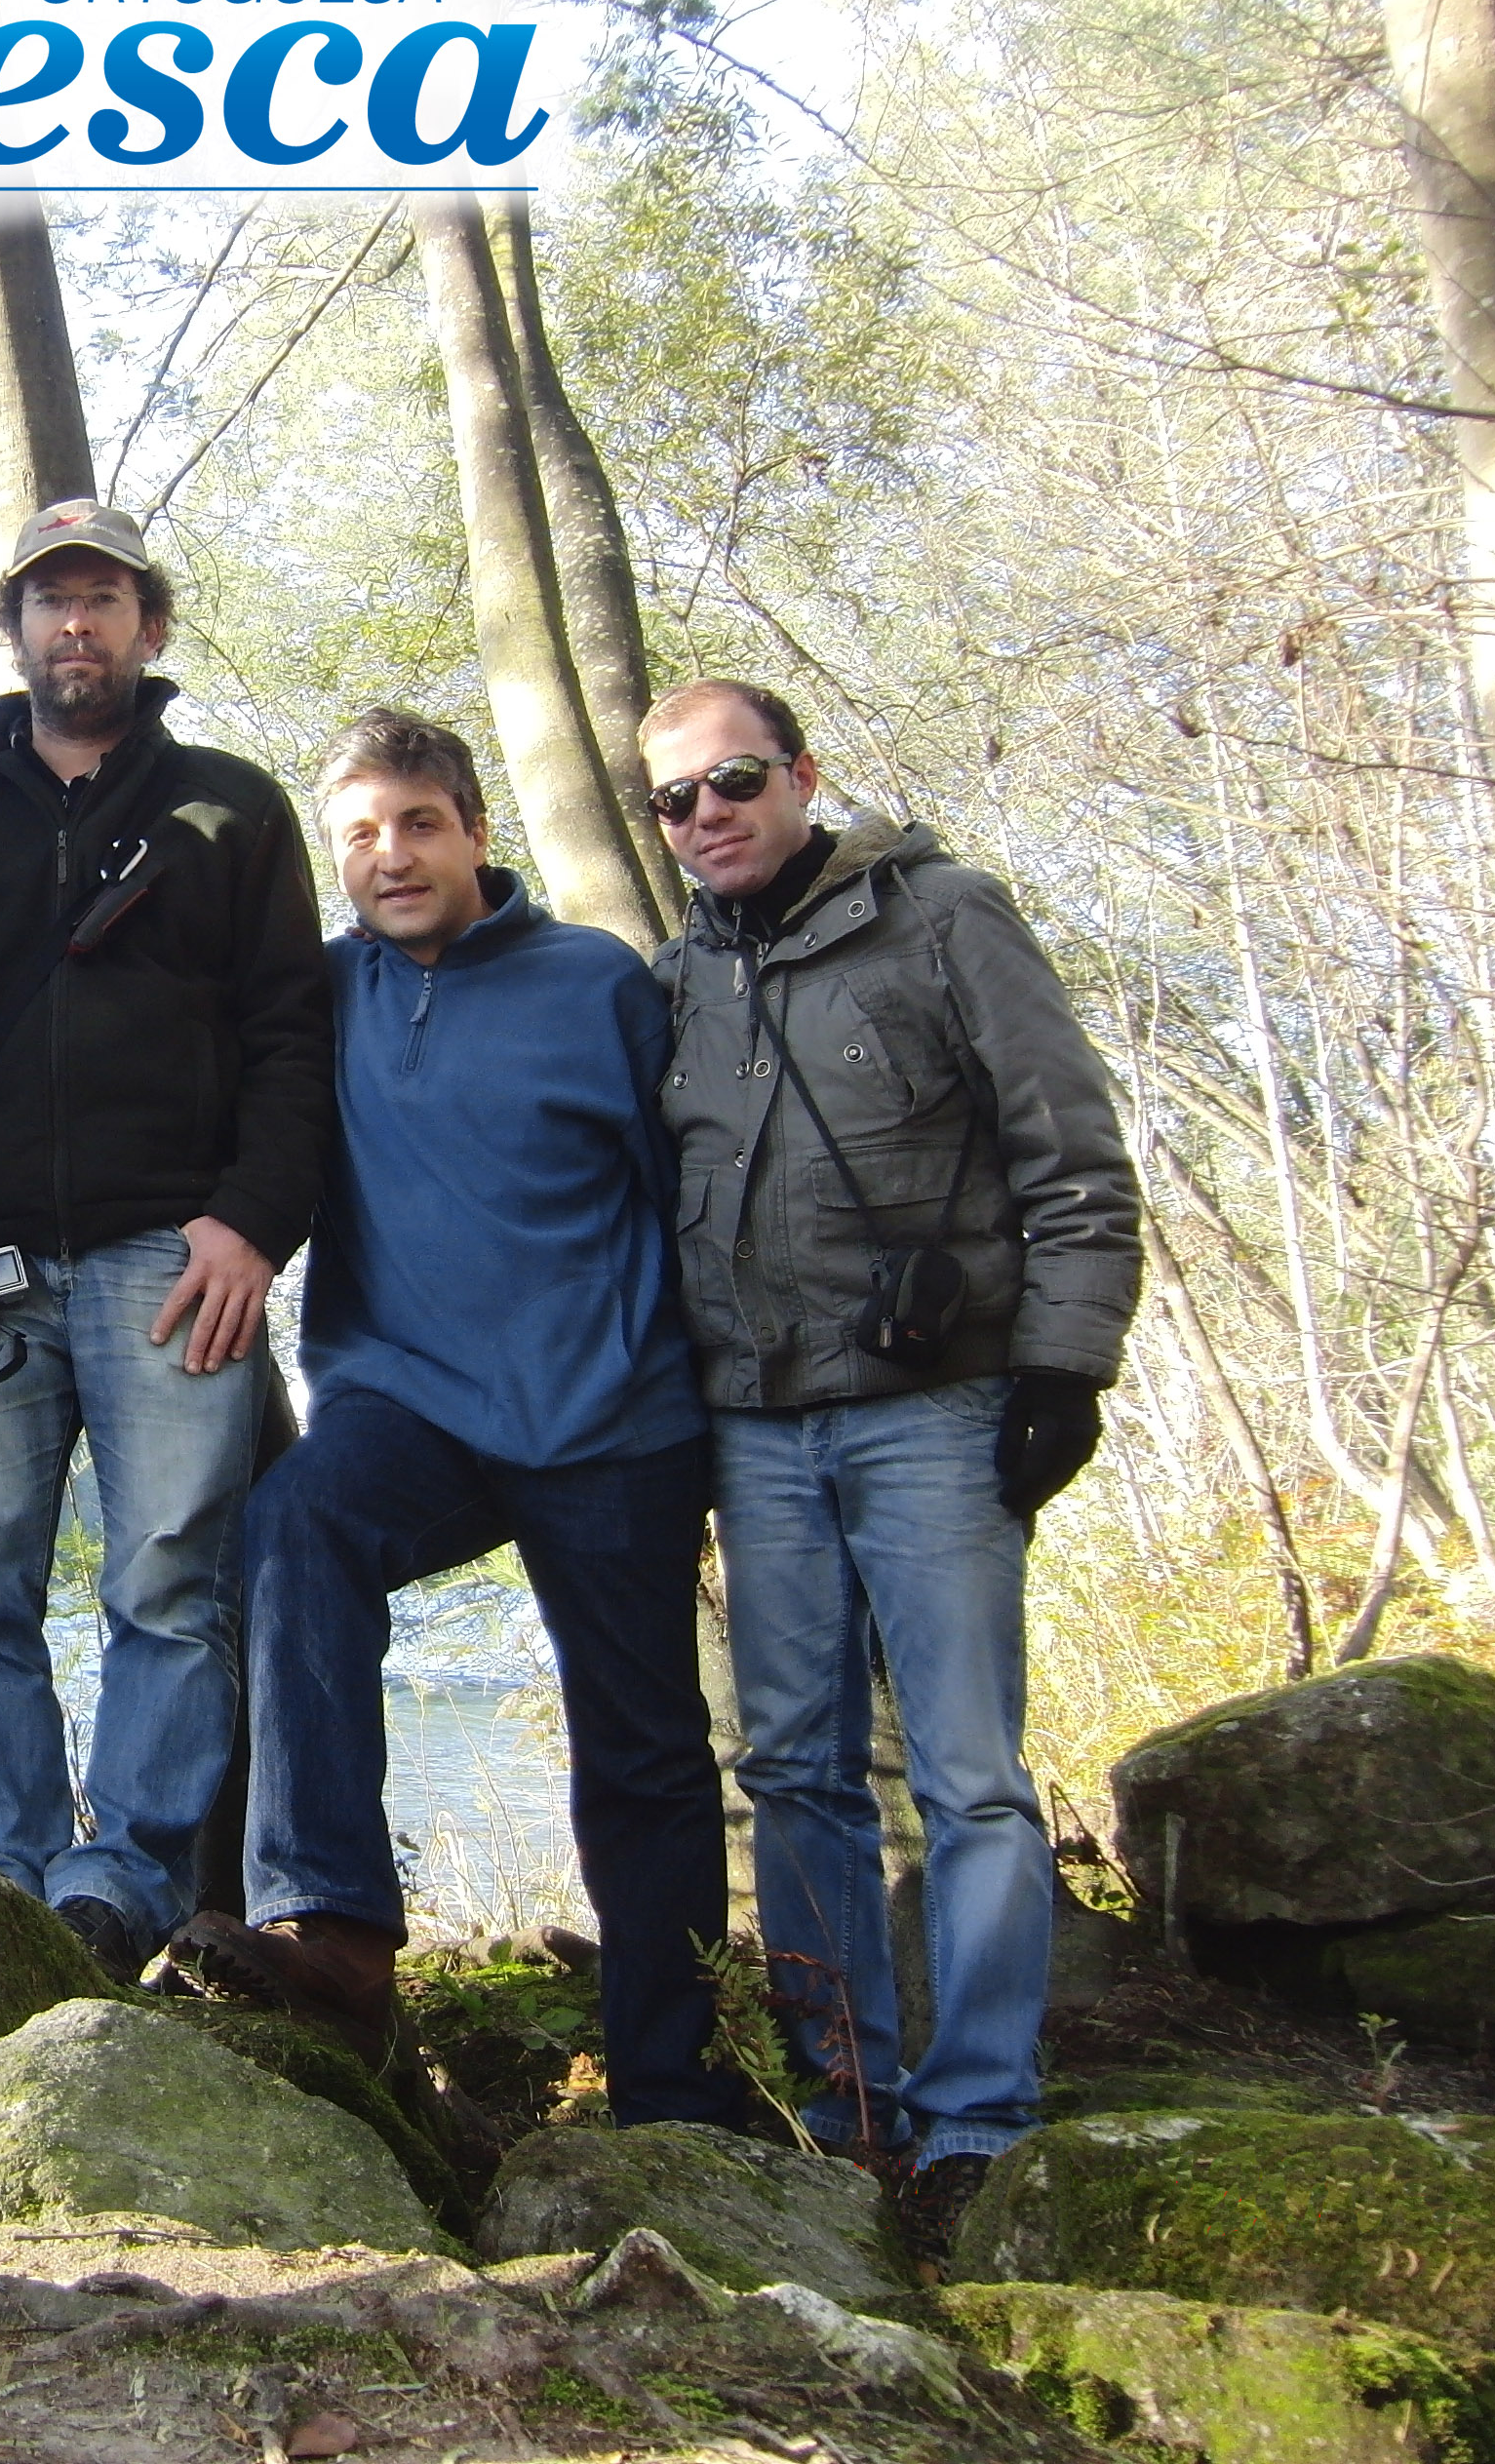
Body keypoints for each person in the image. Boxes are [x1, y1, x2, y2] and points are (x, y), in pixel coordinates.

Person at [165, 709, 745, 2103]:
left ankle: (676, 2086)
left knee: (645, 1750)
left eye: (420, 823)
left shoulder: (597, 984)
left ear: (477, 832)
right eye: (360, 834)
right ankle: (335, 1929)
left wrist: (720, 1394)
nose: (393, 855)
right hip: (409, 1404)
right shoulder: (320, 995)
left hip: (609, 1413)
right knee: (297, 1526)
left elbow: (691, 1197)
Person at [639, 675, 1140, 2270]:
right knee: (792, 1767)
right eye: (674, 800)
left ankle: (980, 2114)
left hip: (938, 1411)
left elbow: (1071, 1149)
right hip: (753, 1427)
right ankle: (849, 2100)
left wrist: (1066, 1364)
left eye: (733, 781)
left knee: (970, 1774)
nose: (707, 816)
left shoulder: (943, 918)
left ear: (801, 775)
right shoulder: (671, 986)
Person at [0, 501, 334, 1981]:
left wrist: (253, 1224)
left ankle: (122, 1885)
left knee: (171, 1585)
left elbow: (293, 1038)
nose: (78, 623)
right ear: (13, 628)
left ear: (149, 626)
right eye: (51, 599)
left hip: (170, 1265)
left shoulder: (231, 811)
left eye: (105, 598)